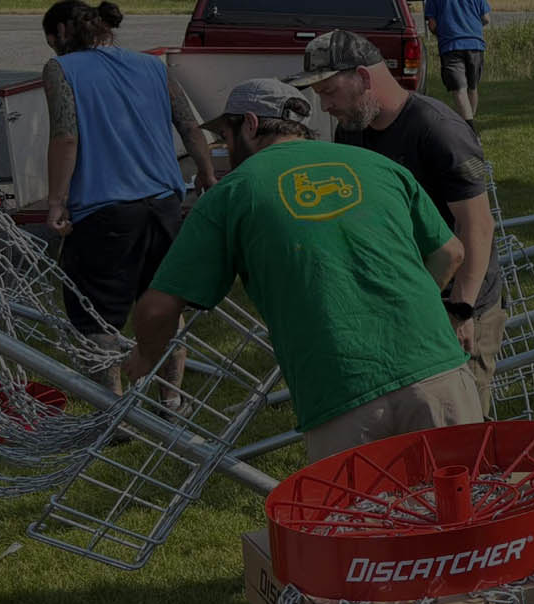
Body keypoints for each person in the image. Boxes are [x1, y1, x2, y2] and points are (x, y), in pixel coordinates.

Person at [124, 78, 481, 462]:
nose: (226, 149)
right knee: (464, 496)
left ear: (250, 124)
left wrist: (145, 358)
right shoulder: (378, 165)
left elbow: (158, 309)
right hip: (437, 371)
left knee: (360, 504)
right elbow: (450, 253)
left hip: (341, 393)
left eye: (225, 136)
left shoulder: (232, 194)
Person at [290, 30, 504, 417]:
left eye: (329, 91)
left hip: (458, 301)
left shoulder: (438, 130)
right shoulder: (351, 131)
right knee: (411, 414)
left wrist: (461, 310)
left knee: (463, 421)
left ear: (363, 77)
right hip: (402, 295)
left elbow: (477, 226)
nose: (325, 105)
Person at [40, 0, 217, 398]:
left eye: (51, 40)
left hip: (105, 212)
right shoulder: (153, 65)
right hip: (164, 205)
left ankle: (112, 415)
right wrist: (207, 174)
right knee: (163, 304)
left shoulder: (60, 69)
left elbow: (66, 137)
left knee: (96, 319)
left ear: (62, 33)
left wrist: (56, 202)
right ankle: (171, 402)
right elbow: (190, 125)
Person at [422, 0, 490, 129]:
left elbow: (432, 25)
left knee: (459, 89)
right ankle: (470, 127)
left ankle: (469, 130)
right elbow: (486, 18)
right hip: (475, 44)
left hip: (450, 45)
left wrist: (444, 32)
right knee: (472, 87)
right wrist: (471, 27)